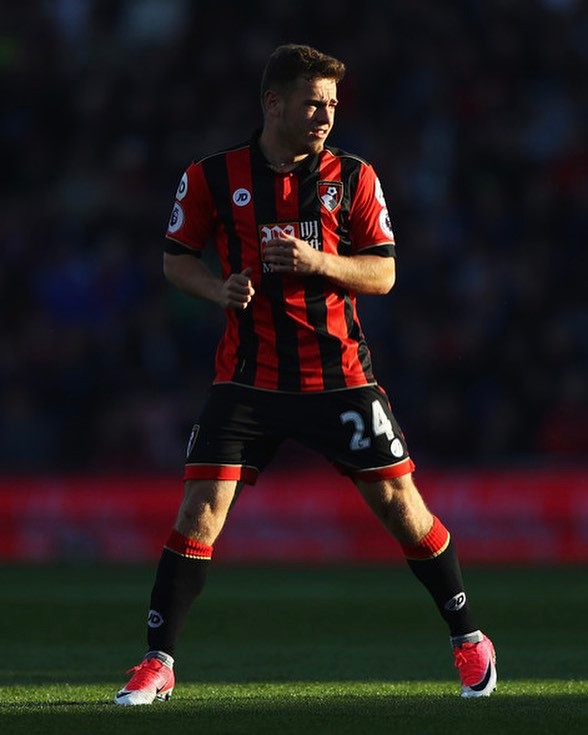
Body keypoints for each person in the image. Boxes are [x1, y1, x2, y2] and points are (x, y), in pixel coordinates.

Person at [114, 43, 496, 705]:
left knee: (402, 508)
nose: (326, 115)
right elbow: (176, 259)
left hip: (339, 377)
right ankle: (158, 661)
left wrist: (320, 263)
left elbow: (384, 272)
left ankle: (469, 638)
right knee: (199, 511)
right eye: (314, 103)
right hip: (248, 379)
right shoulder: (210, 176)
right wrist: (218, 288)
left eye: (333, 105)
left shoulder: (354, 176)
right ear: (274, 103)